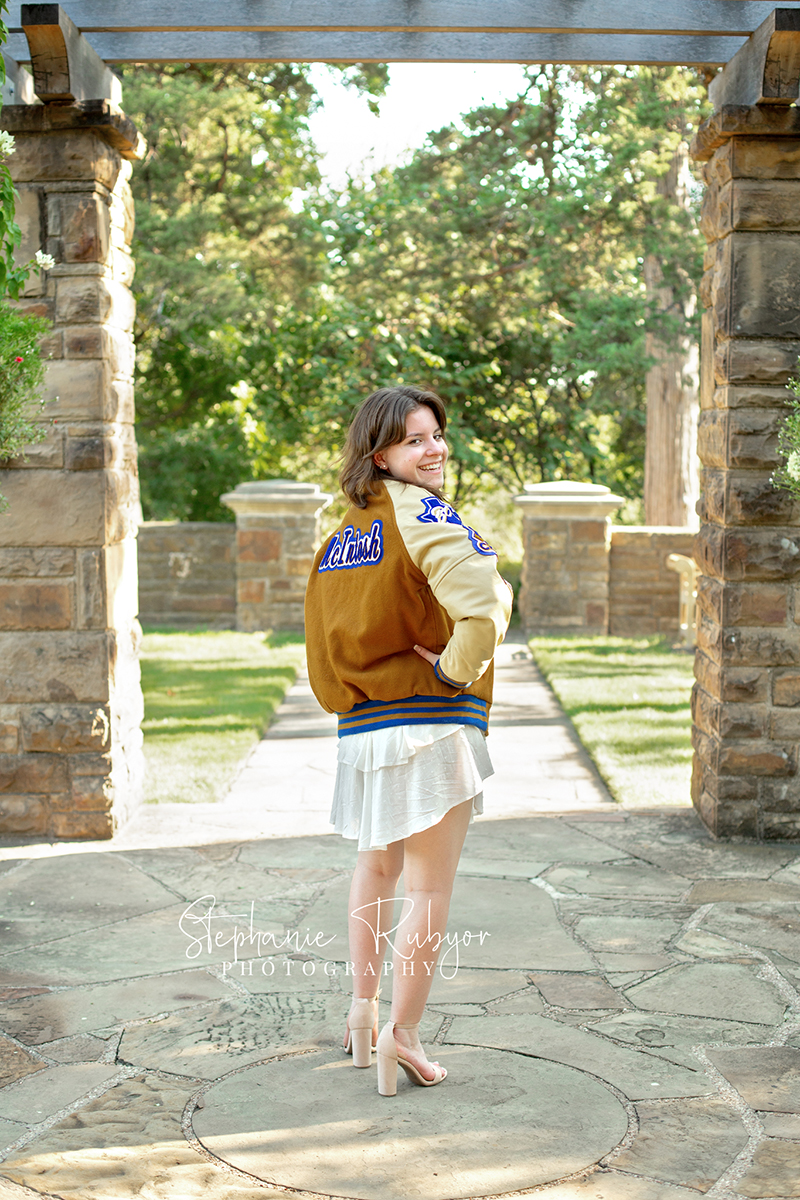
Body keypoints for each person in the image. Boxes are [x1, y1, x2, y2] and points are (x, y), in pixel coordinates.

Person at [304, 385, 512, 1096]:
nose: (436, 449)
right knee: (429, 890)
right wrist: (456, 670)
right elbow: (481, 605)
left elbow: (322, 645)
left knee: (375, 873)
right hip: (425, 723)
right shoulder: (423, 511)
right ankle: (405, 1036)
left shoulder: (345, 534)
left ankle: (363, 1015)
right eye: (417, 439)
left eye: (437, 435)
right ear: (381, 453)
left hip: (364, 730)